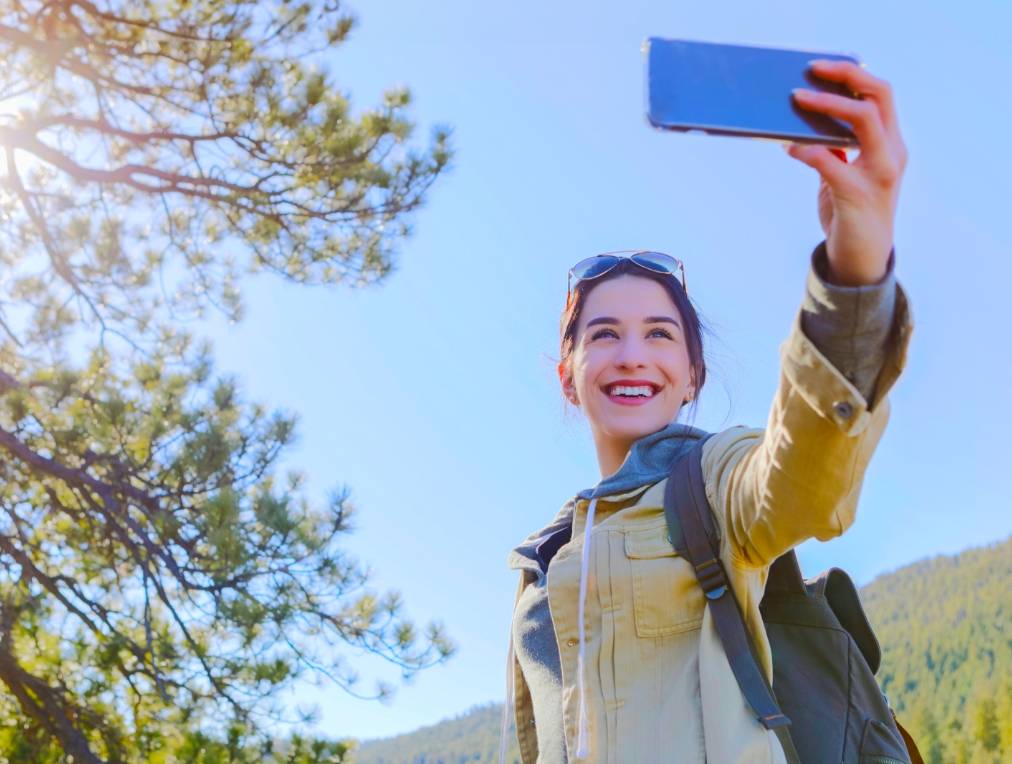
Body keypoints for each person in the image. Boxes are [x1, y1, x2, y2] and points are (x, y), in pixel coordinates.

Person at [500, 59, 913, 764]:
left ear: (692, 376)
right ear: (569, 378)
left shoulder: (717, 483)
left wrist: (855, 265)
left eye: (660, 335)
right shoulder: (540, 568)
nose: (633, 355)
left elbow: (805, 475)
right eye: (604, 335)